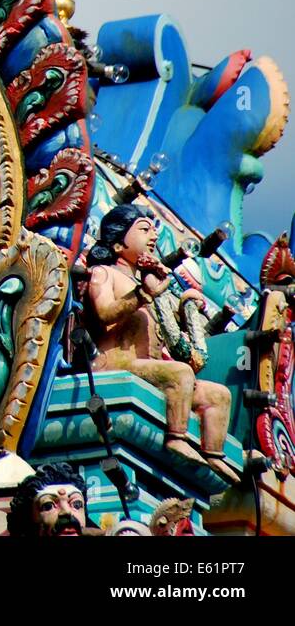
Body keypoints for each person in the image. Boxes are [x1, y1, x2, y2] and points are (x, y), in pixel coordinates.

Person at [84, 205, 241, 485]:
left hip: (146, 367)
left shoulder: (149, 282)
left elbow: (171, 334)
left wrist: (185, 306)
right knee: (179, 373)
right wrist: (143, 294)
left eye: (155, 230)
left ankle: (214, 454)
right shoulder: (104, 274)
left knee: (219, 395)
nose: (153, 236)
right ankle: (176, 438)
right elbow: (105, 312)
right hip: (114, 362)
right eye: (144, 229)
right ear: (119, 243)